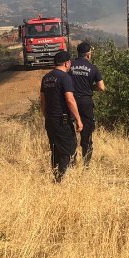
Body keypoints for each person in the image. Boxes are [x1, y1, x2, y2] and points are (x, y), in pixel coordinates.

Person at [40, 50, 83, 181]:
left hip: (50, 120)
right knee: (68, 149)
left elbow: (42, 100)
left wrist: (46, 116)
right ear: (67, 63)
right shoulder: (65, 78)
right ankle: (61, 180)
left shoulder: (46, 78)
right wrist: (78, 120)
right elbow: (70, 100)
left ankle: (56, 175)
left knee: (55, 149)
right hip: (62, 121)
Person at [70, 42, 106, 166]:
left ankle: (71, 160)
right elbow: (101, 87)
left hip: (71, 101)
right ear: (88, 55)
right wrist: (90, 88)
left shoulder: (69, 65)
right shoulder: (93, 68)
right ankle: (86, 164)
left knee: (70, 130)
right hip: (86, 102)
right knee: (87, 134)